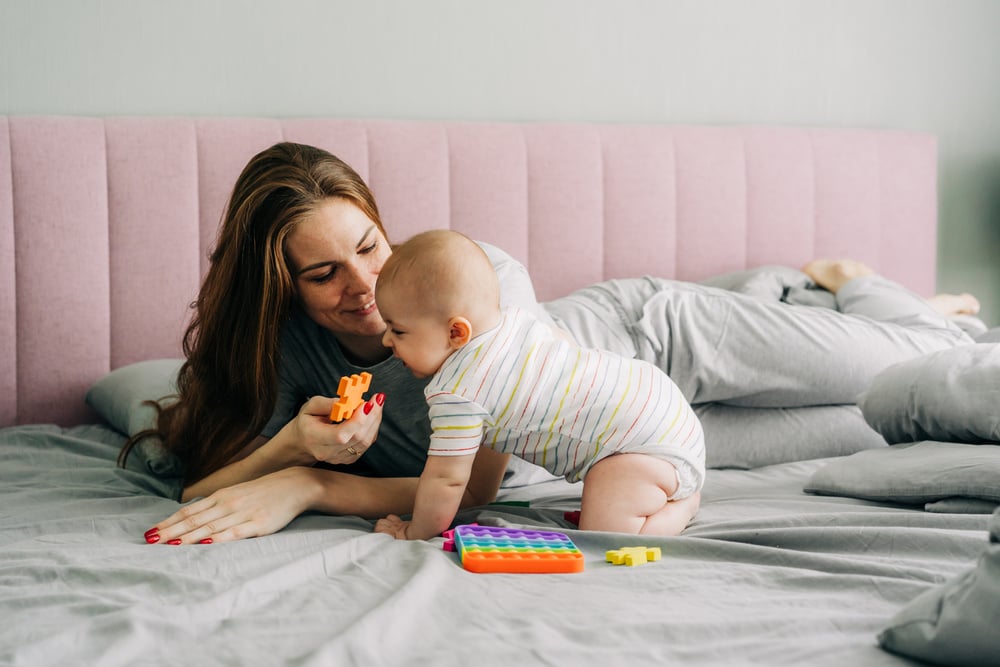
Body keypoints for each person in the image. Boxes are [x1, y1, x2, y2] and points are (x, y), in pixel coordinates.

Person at [135, 141, 973, 546]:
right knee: (888, 420)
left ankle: (863, 289)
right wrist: (291, 450)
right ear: (282, 286)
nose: (362, 286)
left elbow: (471, 490)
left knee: (926, 363)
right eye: (324, 274)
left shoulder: (475, 278)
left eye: (370, 246)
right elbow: (206, 485)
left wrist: (317, 486)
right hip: (618, 447)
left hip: (655, 339)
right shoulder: (290, 356)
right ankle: (814, 296)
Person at [372, 230, 704, 539]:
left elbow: (447, 478)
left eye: (397, 330)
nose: (387, 339)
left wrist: (414, 531)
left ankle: (682, 506)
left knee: (606, 534)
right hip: (652, 392)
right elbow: (561, 344)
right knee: (606, 490)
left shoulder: (457, 393)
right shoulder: (513, 320)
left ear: (456, 332)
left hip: (645, 443)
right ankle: (655, 486)